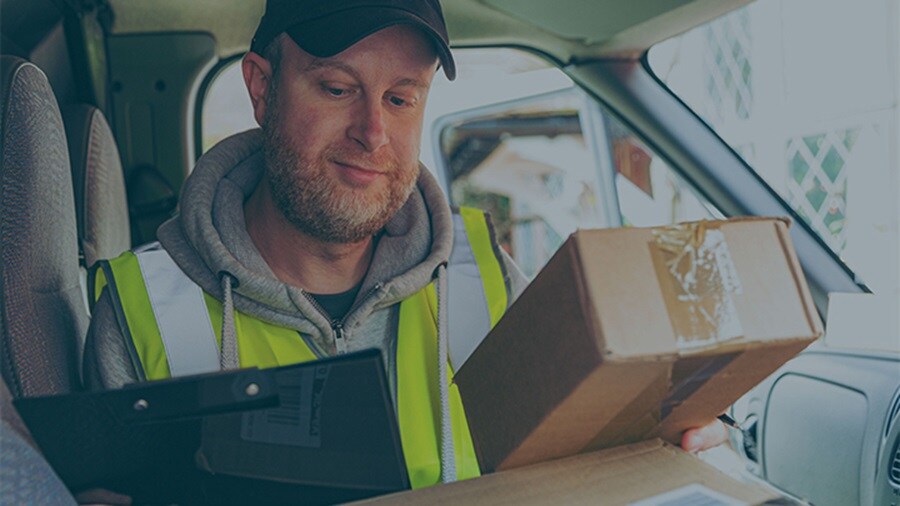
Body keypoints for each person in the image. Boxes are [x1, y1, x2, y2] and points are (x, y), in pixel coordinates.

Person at [83, 0, 726, 493]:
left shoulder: (486, 276)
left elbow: (579, 460)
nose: (373, 132)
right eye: (337, 88)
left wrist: (663, 452)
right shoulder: (147, 307)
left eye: (400, 98)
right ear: (260, 88)